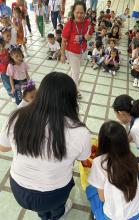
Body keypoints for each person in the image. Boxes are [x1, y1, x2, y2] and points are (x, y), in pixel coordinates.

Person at [0, 72, 91, 220]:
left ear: (41, 93)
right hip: (54, 194)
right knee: (56, 208)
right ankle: (56, 214)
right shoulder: (80, 132)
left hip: (19, 190)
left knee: (41, 208)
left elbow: (2, 148)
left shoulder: (16, 116)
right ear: (71, 99)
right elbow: (84, 157)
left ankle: (43, 214)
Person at [86, 120, 139, 220]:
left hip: (114, 217)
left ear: (102, 142)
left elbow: (102, 198)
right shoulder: (131, 157)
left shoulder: (99, 162)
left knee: (91, 190)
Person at [61, 1, 94, 97]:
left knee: (73, 71)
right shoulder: (69, 24)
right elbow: (63, 40)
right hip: (71, 52)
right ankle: (74, 92)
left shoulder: (87, 23)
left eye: (81, 13)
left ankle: (68, 85)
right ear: (73, 12)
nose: (79, 15)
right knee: (76, 72)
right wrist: (62, 54)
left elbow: (90, 34)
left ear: (85, 13)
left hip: (82, 51)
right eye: (77, 12)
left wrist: (89, 37)